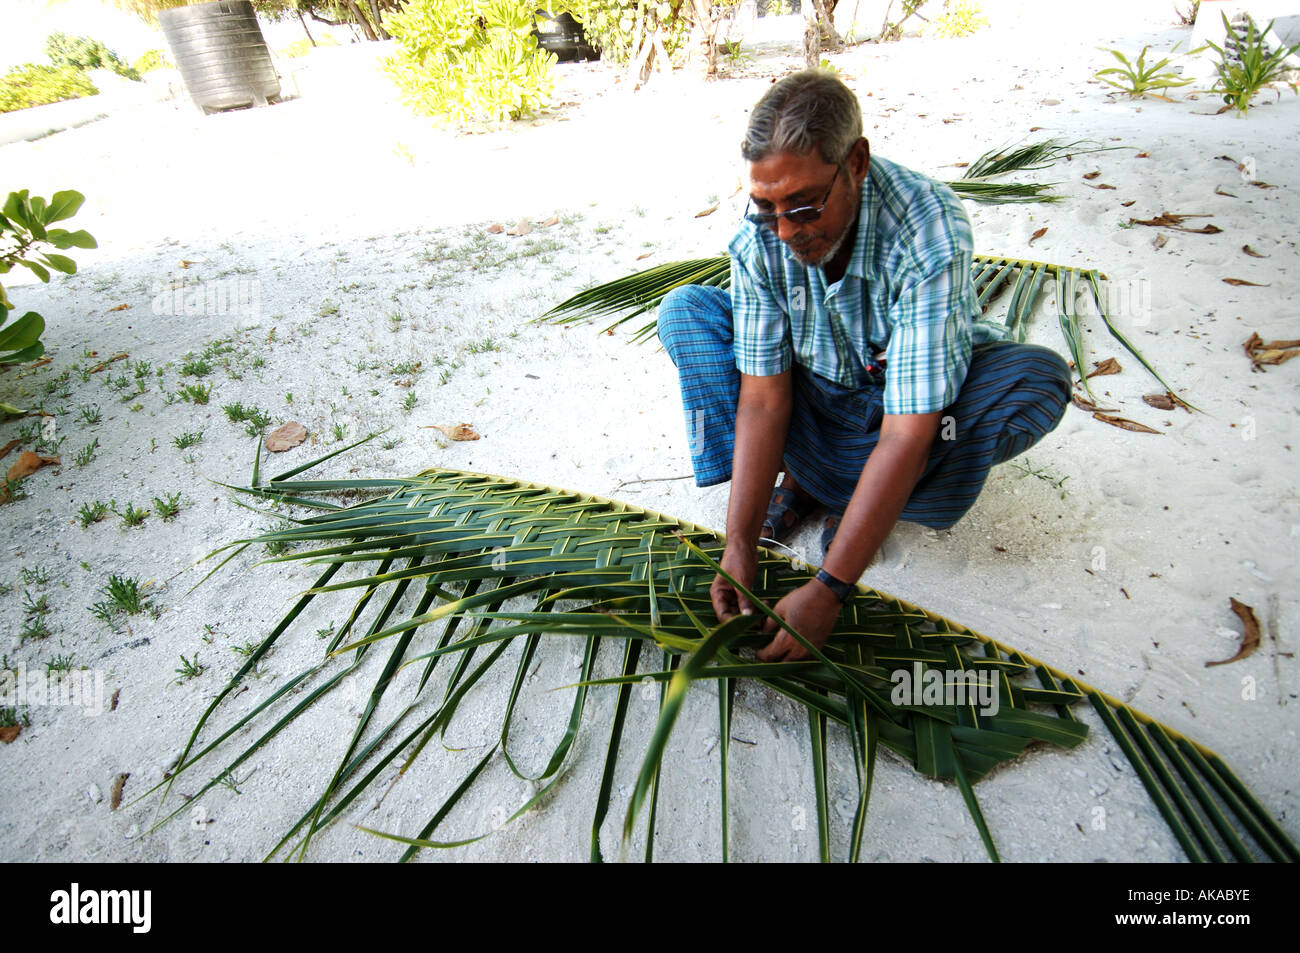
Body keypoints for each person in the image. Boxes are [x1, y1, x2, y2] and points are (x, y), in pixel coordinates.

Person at [657, 70, 1072, 663]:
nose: (785, 232)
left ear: (855, 162)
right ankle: (810, 481)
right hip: (811, 405)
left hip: (897, 415)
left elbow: (909, 430)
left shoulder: (928, 225)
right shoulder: (763, 241)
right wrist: (740, 544)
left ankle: (840, 495)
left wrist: (829, 587)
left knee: (1035, 381)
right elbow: (763, 399)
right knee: (687, 313)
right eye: (765, 206)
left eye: (803, 207)